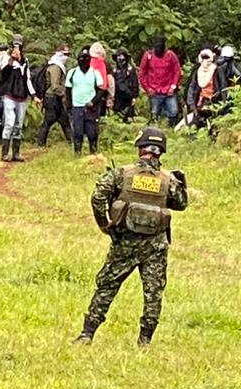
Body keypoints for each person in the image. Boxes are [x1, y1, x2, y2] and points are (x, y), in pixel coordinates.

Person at [75, 127, 189, 348]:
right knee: (153, 293)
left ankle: (87, 334)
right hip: (155, 247)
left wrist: (105, 225)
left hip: (124, 243)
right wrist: (182, 183)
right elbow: (181, 204)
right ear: (160, 152)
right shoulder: (168, 181)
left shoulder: (121, 174)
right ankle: (144, 341)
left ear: (140, 149)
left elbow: (98, 197)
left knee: (107, 286)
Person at [0, 34, 32, 163]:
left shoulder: (25, 61)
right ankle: (5, 153)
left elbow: (27, 79)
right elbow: (3, 73)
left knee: (19, 125)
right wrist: (12, 60)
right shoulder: (6, 59)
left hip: (22, 96)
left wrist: (33, 95)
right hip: (9, 96)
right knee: (9, 123)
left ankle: (16, 152)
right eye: (15, 45)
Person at [65, 49, 106, 156]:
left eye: (86, 59)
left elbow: (101, 90)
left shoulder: (95, 73)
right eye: (81, 59)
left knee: (92, 133)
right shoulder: (72, 73)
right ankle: (77, 153)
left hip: (91, 108)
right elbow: (68, 91)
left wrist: (93, 102)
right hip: (77, 106)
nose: (84, 61)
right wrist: (69, 107)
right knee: (78, 132)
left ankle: (94, 153)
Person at [182, 47, 228, 132]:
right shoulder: (198, 72)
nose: (205, 60)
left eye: (207, 58)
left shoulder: (217, 70)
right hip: (200, 103)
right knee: (195, 125)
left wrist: (223, 104)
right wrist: (192, 105)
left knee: (214, 126)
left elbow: (223, 87)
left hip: (214, 103)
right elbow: (192, 88)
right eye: (203, 58)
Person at [35, 45, 73, 146]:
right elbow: (55, 86)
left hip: (55, 98)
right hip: (52, 98)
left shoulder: (58, 65)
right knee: (48, 121)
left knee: (64, 121)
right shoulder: (55, 67)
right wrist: (65, 94)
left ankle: (73, 142)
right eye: (65, 54)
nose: (67, 57)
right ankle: (40, 143)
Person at [139, 37, 183, 122]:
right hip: (154, 91)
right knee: (155, 114)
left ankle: (172, 130)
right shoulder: (148, 55)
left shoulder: (171, 55)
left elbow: (177, 71)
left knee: (173, 112)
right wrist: (147, 88)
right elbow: (142, 73)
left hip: (168, 90)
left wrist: (173, 86)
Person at [111, 48, 140, 121]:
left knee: (128, 116)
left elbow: (135, 83)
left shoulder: (130, 69)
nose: (120, 58)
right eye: (118, 56)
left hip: (128, 97)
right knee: (117, 116)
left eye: (122, 56)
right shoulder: (114, 70)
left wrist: (134, 96)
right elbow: (111, 84)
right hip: (117, 98)